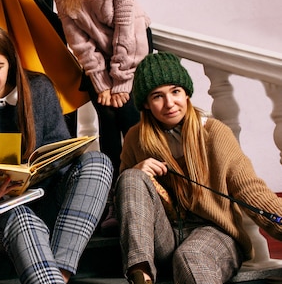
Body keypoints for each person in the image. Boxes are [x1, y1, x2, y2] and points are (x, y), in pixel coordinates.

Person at [0, 23, 112, 284]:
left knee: (98, 162)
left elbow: (62, 161)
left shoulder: (39, 89)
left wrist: (39, 173)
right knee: (22, 217)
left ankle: (59, 273)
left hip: (44, 202)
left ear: (11, 63)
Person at [116, 52, 282, 284]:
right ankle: (141, 275)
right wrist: (138, 171)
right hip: (163, 236)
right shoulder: (136, 139)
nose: (170, 103)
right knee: (131, 176)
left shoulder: (214, 133)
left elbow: (251, 191)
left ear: (186, 94)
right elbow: (123, 205)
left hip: (214, 231)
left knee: (191, 256)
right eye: (157, 96)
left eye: (175, 92)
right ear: (145, 103)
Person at [47, 0, 152, 234]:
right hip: (97, 59)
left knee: (131, 121)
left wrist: (120, 80)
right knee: (106, 120)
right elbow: (77, 38)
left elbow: (126, 29)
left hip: (131, 51)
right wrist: (100, 80)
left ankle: (145, 196)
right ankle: (114, 199)